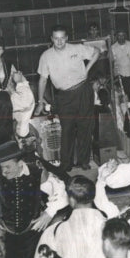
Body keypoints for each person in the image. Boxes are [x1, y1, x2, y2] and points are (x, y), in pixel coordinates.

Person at [36, 25, 102, 169]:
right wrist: (40, 101)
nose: (59, 42)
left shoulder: (77, 48)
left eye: (62, 38)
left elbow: (97, 51)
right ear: (52, 39)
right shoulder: (46, 56)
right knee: (67, 130)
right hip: (64, 96)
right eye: (56, 38)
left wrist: (87, 69)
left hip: (83, 91)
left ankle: (84, 161)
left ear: (66, 38)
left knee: (85, 127)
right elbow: (42, 80)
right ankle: (66, 164)